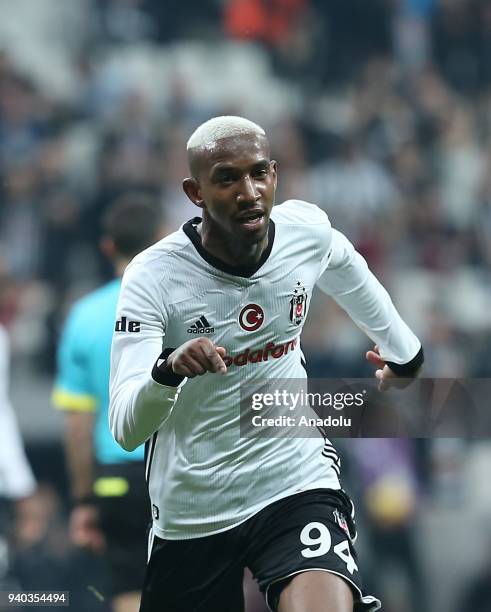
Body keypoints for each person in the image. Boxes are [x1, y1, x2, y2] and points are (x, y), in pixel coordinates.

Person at [109, 116, 424, 612]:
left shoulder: (305, 232)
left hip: (292, 477)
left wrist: (405, 352)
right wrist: (166, 372)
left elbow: (346, 265)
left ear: (275, 174)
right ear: (195, 191)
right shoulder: (153, 276)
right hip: (193, 503)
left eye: (259, 173)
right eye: (227, 178)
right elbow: (126, 427)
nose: (249, 191)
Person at [52, 195, 164, 612]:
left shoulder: (82, 316)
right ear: (160, 240)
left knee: (129, 589)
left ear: (107, 246)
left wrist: (83, 501)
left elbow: (78, 423)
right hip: (176, 469)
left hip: (115, 476)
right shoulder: (179, 308)